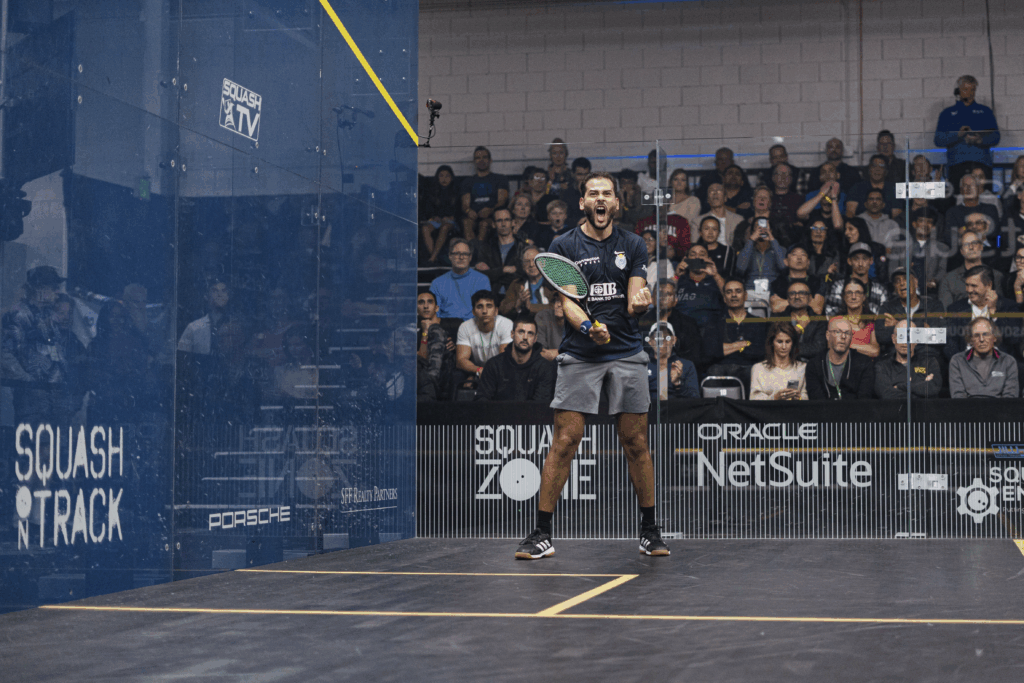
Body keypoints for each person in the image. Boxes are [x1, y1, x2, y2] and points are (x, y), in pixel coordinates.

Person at [515, 171, 669, 560]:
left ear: (616, 203)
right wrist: (587, 326)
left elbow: (635, 291)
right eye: (592, 194)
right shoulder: (563, 243)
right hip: (581, 354)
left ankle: (650, 531)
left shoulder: (633, 244)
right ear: (583, 203)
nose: (600, 199)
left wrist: (639, 303)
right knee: (564, 442)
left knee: (636, 443)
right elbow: (567, 300)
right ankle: (542, 533)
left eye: (607, 194)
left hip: (628, 352)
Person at [1, 266, 74, 424]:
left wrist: (61, 370)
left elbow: (52, 346)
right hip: (31, 401)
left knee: (55, 445)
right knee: (36, 444)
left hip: (55, 397)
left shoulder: (46, 315)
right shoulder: (18, 315)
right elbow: (5, 354)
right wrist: (28, 382)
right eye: (54, 288)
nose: (57, 292)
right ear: (40, 288)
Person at [934, 75, 1000, 191]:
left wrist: (980, 140)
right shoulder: (947, 113)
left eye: (973, 90)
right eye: (966, 89)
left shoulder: (985, 111)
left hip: (982, 165)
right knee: (958, 201)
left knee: (985, 200)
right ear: (958, 90)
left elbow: (996, 137)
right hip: (957, 165)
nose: (970, 93)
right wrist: (957, 135)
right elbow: (938, 140)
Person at [943, 265, 1020, 360]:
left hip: (999, 363)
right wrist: (962, 364)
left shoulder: (1008, 307)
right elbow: (950, 346)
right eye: (967, 285)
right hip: (966, 363)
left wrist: (993, 312)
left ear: (989, 285)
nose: (969, 290)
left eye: (974, 286)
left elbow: (1013, 340)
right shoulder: (955, 309)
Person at [477, 316, 556, 402]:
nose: (525, 337)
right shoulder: (494, 365)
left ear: (535, 339)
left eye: (530, 333)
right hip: (498, 414)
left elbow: (540, 406)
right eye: (521, 332)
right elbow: (482, 401)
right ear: (512, 334)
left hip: (531, 415)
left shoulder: (544, 368)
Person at [707, 280, 766, 387]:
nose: (734, 295)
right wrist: (743, 344)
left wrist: (725, 348)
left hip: (749, 369)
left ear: (745, 296)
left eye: (738, 291)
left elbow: (759, 352)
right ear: (724, 298)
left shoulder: (759, 322)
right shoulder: (715, 322)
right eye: (729, 292)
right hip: (719, 370)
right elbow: (711, 351)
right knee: (713, 374)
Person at [639, 281, 707, 371]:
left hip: (680, 370)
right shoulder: (641, 323)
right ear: (652, 298)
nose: (662, 298)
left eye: (668, 294)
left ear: (675, 300)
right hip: (648, 371)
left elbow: (695, 356)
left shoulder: (688, 324)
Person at [877, 268, 946, 357]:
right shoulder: (887, 307)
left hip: (926, 358)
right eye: (898, 281)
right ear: (895, 287)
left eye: (906, 279)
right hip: (896, 360)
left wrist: (898, 325)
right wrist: (922, 328)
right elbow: (881, 336)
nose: (902, 283)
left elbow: (940, 336)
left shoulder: (933, 305)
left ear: (916, 283)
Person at [805, 316, 876, 400]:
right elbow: (816, 400)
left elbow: (864, 399)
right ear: (827, 335)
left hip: (854, 412)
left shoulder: (865, 363)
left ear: (851, 338)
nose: (843, 336)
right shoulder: (814, 364)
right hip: (823, 412)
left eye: (847, 333)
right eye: (837, 332)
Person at [949, 317, 1019, 398]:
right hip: (967, 410)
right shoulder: (957, 361)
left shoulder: (1008, 361)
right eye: (976, 335)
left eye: (986, 334)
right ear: (970, 339)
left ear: (994, 337)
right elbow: (958, 397)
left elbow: (1010, 398)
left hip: (1000, 409)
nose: (981, 339)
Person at [455, 290, 512, 387]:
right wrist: (477, 371)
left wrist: (483, 374)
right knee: (457, 376)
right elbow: (461, 360)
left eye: (489, 306)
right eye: (479, 306)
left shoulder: (506, 324)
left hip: (501, 369)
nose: (484, 311)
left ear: (496, 311)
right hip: (476, 368)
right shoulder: (465, 327)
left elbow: (503, 360)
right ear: (473, 311)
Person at [874, 320, 943, 399]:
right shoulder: (883, 366)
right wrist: (920, 386)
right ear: (893, 339)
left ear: (916, 340)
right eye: (901, 336)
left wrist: (901, 386)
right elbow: (885, 394)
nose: (904, 342)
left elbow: (933, 388)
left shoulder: (929, 362)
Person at [937, 233, 1005, 309]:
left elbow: (1001, 307)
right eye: (966, 244)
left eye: (974, 243)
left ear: (981, 247)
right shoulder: (948, 279)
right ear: (961, 251)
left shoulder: (997, 275)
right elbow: (946, 312)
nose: (971, 247)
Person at [429, 239, 492, 320]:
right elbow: (434, 313)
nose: (461, 257)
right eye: (457, 253)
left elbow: (485, 311)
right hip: (445, 326)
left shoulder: (482, 280)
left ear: (470, 257)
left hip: (473, 327)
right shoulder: (437, 283)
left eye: (465, 254)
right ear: (450, 256)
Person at [825, 241, 889, 316]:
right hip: (843, 327)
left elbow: (884, 320)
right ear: (849, 261)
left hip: (872, 327)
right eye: (856, 259)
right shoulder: (839, 286)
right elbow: (831, 315)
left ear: (871, 261)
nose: (860, 264)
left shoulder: (879, 290)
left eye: (864, 259)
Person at [460, 146, 509, 241]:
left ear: (490, 160)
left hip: (493, 216)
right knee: (466, 223)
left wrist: (490, 210)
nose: (481, 160)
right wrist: (468, 211)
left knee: (484, 224)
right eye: (478, 158)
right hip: (473, 216)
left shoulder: (500, 179)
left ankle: (478, 252)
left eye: (484, 157)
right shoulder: (467, 182)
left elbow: (502, 201)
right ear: (474, 161)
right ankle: (473, 250)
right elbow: (465, 205)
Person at [750, 321, 807, 400]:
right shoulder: (758, 368)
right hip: (768, 411)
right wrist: (774, 398)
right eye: (779, 342)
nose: (784, 347)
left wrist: (799, 398)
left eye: (788, 342)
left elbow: (807, 397)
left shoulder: (802, 368)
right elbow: (753, 399)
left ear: (792, 343)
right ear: (772, 342)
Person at [645, 321, 699, 400]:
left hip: (676, 410)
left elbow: (696, 400)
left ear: (674, 340)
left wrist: (678, 384)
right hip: (649, 410)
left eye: (666, 337)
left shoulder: (686, 365)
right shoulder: (642, 365)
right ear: (650, 341)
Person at [417, 291, 455, 401]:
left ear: (436, 308)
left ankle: (431, 385)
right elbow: (421, 359)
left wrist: (455, 347)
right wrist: (425, 332)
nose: (425, 306)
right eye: (421, 302)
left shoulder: (452, 325)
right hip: (424, 378)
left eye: (430, 302)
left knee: (435, 329)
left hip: (445, 376)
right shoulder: (417, 333)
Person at [178, 277, 232, 355]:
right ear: (206, 296)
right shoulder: (193, 328)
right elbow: (182, 357)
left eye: (223, 291)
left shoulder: (235, 327)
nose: (220, 295)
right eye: (215, 291)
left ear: (228, 297)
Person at [419, 164, 460, 264]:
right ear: (437, 177)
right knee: (425, 228)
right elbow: (428, 209)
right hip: (437, 221)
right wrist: (433, 217)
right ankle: (435, 258)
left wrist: (451, 217)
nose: (444, 179)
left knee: (445, 227)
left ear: (451, 177)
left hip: (451, 221)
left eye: (447, 176)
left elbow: (459, 210)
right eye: (441, 176)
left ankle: (432, 258)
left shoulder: (456, 190)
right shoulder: (432, 191)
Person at [734, 216, 786, 294]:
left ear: (771, 230)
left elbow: (783, 267)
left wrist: (772, 239)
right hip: (750, 291)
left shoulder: (780, 249)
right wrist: (751, 240)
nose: (762, 229)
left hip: (773, 293)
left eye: (765, 226)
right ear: (752, 232)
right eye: (758, 227)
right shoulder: (746, 250)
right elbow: (740, 269)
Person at [768, 243, 825, 315]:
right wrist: (807, 302)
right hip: (784, 324)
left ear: (808, 262)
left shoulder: (818, 282)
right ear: (786, 261)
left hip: (812, 325)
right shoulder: (777, 283)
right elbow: (776, 307)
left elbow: (817, 308)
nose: (799, 258)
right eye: (794, 254)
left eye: (803, 255)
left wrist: (785, 302)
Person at [499, 246, 553, 318]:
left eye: (535, 260)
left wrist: (530, 307)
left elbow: (558, 308)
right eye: (527, 261)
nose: (531, 265)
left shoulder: (553, 283)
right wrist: (517, 303)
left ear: (543, 263)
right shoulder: (516, 284)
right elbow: (503, 310)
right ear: (523, 266)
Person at [782, 282, 827, 360]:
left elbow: (819, 349)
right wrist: (798, 328)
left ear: (809, 298)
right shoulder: (778, 318)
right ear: (788, 298)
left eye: (802, 293)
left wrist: (790, 348)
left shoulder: (819, 320)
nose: (797, 297)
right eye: (792, 293)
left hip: (811, 366)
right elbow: (775, 347)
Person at [846, 155, 900, 220]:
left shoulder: (895, 189)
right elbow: (850, 214)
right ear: (869, 169)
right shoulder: (857, 188)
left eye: (881, 166)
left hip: (887, 227)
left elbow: (897, 217)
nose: (877, 170)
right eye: (874, 166)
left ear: (886, 171)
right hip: (861, 226)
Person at [836, 279, 880, 359]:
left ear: (863, 297)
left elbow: (875, 351)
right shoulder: (836, 321)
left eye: (858, 293)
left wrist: (847, 344)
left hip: (866, 367)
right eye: (849, 293)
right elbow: (833, 347)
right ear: (844, 296)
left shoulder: (872, 320)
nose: (853, 297)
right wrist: (864, 348)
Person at [696, 182, 743, 247]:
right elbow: (695, 247)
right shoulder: (697, 222)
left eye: (719, 191)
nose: (715, 193)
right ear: (708, 200)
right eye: (711, 191)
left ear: (725, 198)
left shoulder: (738, 220)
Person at [694, 216, 736, 280]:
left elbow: (730, 277)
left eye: (714, 229)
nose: (710, 233)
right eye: (706, 229)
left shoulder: (727, 251)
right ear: (700, 232)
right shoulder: (693, 250)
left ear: (719, 233)